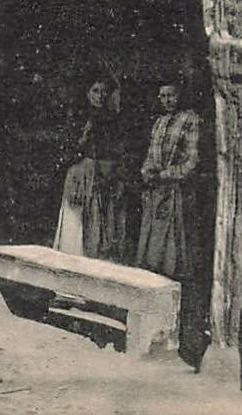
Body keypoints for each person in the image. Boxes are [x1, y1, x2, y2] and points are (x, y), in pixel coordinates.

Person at [54, 79, 130, 262]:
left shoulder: (114, 120)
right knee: (78, 222)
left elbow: (119, 151)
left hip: (105, 175)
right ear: (88, 94)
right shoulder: (79, 118)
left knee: (104, 223)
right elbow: (68, 150)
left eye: (104, 92)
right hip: (82, 175)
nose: (100, 96)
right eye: (95, 91)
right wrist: (84, 136)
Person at [136, 83, 202, 279]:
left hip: (176, 189)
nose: (167, 101)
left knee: (173, 244)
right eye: (163, 96)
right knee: (153, 243)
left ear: (179, 96)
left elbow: (192, 160)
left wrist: (166, 175)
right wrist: (147, 173)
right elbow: (151, 154)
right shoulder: (160, 122)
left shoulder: (190, 119)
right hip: (156, 189)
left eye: (171, 96)